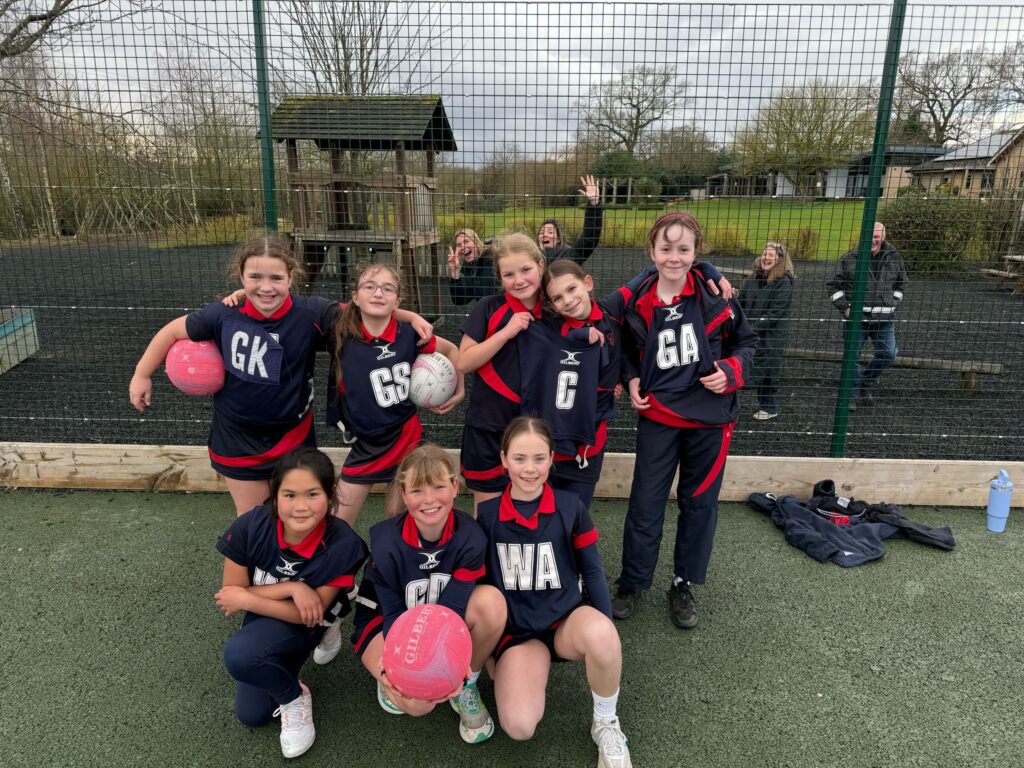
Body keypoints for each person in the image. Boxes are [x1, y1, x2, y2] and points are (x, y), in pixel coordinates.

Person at [611, 212, 757, 629]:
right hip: (658, 417)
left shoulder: (716, 295)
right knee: (645, 502)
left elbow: (747, 343)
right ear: (652, 251)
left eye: (684, 249)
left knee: (700, 505)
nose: (674, 257)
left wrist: (731, 372)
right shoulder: (634, 298)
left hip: (711, 421)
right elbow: (618, 345)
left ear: (696, 252)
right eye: (665, 248)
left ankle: (683, 582)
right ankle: (633, 582)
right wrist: (631, 376)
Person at [129, 236, 340, 516]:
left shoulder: (313, 313)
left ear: (291, 277)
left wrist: (412, 320)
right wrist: (141, 375)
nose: (265, 287)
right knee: (253, 521)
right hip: (237, 440)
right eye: (255, 277)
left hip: (294, 439)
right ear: (241, 277)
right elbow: (172, 331)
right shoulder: (222, 315)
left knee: (296, 517)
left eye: (276, 278)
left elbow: (369, 313)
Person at [477, 417, 632, 768]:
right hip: (519, 635)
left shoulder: (570, 507)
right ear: (503, 460)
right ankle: (523, 672)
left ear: (551, 459)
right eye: (519, 458)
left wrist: (604, 628)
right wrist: (489, 654)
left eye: (538, 458)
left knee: (602, 636)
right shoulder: (486, 516)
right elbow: (480, 588)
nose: (529, 469)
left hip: (564, 623)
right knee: (519, 726)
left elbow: (591, 569)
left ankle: (606, 722)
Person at [529, 258, 732, 510]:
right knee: (541, 508)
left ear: (588, 283)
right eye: (557, 298)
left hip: (590, 438)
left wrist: (704, 267)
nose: (568, 300)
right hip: (553, 434)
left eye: (572, 289)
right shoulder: (550, 326)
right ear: (550, 304)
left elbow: (654, 268)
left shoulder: (612, 308)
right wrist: (580, 335)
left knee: (576, 511)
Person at [213, 447, 368, 759]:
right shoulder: (251, 526)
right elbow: (231, 593)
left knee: (240, 653)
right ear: (275, 494)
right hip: (270, 615)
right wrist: (294, 586)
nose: (301, 507)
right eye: (290, 495)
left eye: (312, 494)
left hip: (312, 620)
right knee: (253, 715)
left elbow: (305, 616)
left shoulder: (344, 544)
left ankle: (294, 697)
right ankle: (292, 689)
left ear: (331, 493)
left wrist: (247, 596)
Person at [348, 444, 506, 744]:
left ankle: (468, 684)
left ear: (455, 486)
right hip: (385, 620)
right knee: (417, 704)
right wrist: (399, 666)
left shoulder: (470, 536)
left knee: (492, 605)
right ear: (403, 494)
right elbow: (392, 613)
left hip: (443, 613)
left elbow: (453, 610)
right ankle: (388, 681)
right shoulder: (386, 541)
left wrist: (454, 673)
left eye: (438, 486)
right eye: (418, 490)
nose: (430, 499)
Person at [326, 263, 464, 526]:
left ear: (397, 300)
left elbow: (452, 350)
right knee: (337, 522)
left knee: (401, 520)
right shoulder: (339, 330)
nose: (378, 293)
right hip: (366, 445)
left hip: (406, 439)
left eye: (388, 289)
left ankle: (402, 564)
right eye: (369, 287)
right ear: (355, 297)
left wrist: (460, 390)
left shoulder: (410, 335)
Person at [456, 232, 547, 514]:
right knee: (487, 511)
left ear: (541, 265)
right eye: (508, 274)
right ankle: (482, 560)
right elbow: (464, 362)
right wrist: (506, 333)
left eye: (526, 270)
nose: (518, 280)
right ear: (499, 277)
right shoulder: (488, 308)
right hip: (487, 426)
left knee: (529, 507)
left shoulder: (556, 309)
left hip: (534, 429)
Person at [445, 175, 605, 307]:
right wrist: (455, 273)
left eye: (550, 231)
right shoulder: (523, 256)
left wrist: (594, 205)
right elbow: (461, 299)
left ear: (558, 238)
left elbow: (588, 239)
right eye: (542, 231)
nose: (545, 234)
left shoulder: (566, 255)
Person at [826, 222, 908, 408]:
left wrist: (892, 302)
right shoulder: (849, 258)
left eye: (877, 236)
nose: (873, 239)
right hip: (857, 319)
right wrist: (845, 307)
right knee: (852, 356)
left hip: (884, 319)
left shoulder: (894, 257)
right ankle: (852, 395)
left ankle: (864, 381)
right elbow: (833, 286)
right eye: (869, 235)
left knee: (888, 354)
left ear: (884, 237)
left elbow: (901, 284)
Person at [740, 242, 795, 420]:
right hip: (750, 333)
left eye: (771, 255)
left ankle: (769, 407)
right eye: (764, 254)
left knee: (767, 369)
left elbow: (776, 312)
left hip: (770, 335)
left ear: (780, 259)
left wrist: (749, 327)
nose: (766, 258)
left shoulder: (783, 282)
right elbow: (741, 301)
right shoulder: (753, 279)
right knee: (742, 364)